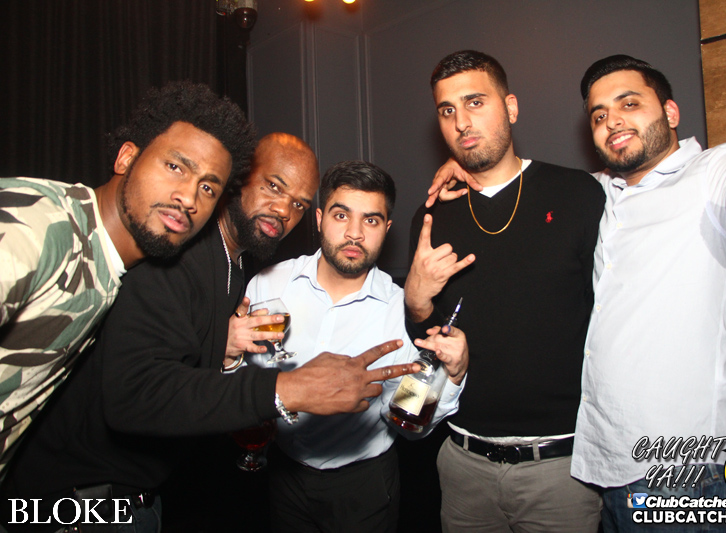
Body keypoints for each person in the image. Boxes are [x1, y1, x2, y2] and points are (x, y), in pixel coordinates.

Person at [1, 135, 420, 532]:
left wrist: (437, 384)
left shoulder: (396, 305)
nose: (282, 210)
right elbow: (136, 391)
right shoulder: (222, 266)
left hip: (355, 482)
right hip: (81, 497)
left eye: (296, 202)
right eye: (273, 186)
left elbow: (408, 411)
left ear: (386, 227)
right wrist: (283, 388)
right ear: (322, 219)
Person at [569, 55, 726, 532]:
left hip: (693, 474)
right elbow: (528, 188)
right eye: (598, 115)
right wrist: (470, 168)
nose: (612, 120)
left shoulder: (719, 169)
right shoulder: (599, 192)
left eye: (629, 103)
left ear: (670, 113)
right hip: (609, 468)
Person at [0, 81, 255, 472]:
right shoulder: (39, 226)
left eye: (207, 187)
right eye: (175, 167)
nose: (189, 198)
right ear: (126, 158)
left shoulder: (107, 272)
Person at [404, 50, 605, 532]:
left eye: (475, 102)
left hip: (561, 467)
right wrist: (416, 301)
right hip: (462, 463)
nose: (461, 121)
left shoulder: (577, 194)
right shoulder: (432, 217)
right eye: (447, 109)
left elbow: (614, 318)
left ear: (511, 108)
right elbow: (428, 343)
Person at [244, 159, 468, 532]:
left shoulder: (401, 312)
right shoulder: (269, 285)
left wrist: (452, 376)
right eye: (341, 215)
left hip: (363, 485)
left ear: (387, 229)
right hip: (283, 473)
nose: (354, 234)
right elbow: (242, 380)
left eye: (371, 220)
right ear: (319, 219)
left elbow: (407, 421)